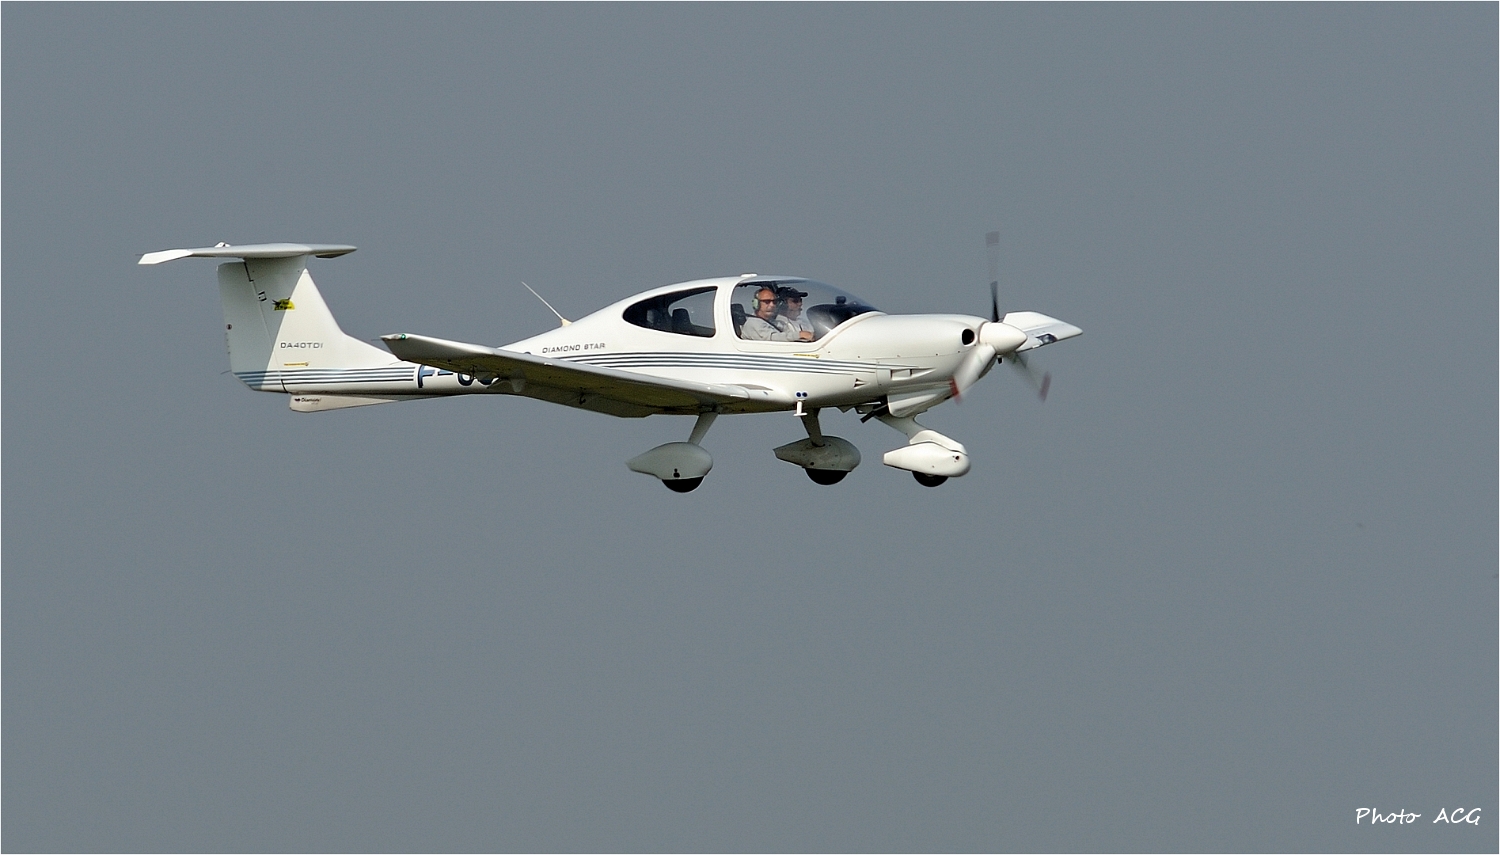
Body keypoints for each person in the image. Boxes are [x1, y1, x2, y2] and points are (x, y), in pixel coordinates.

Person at [739, 287, 813, 341]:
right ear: (756, 304)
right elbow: (772, 338)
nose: (772, 305)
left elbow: (787, 332)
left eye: (774, 302)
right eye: (767, 302)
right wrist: (799, 335)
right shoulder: (754, 323)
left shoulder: (774, 322)